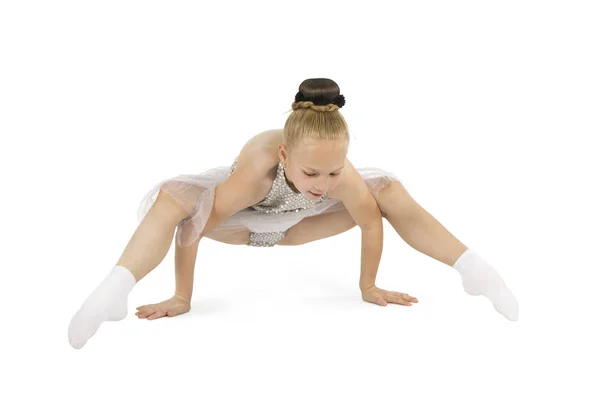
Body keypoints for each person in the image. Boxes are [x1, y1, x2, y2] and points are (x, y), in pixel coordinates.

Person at [67, 78, 519, 350]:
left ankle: (473, 268)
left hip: (299, 228)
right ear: (284, 153)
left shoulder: (340, 179)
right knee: (174, 200)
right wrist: (182, 297)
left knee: (389, 193)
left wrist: (368, 286)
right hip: (242, 224)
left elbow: (368, 220)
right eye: (311, 172)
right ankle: (114, 288)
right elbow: (197, 227)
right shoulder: (256, 172)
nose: (324, 184)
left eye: (333, 171)